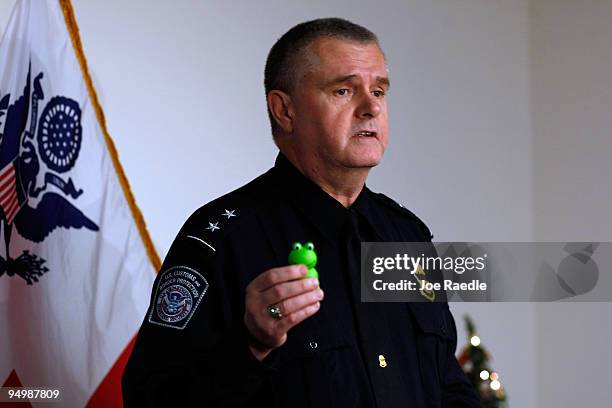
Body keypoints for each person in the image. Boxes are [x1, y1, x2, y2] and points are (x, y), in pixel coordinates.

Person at [122, 17, 481, 408]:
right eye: (344, 90)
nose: (371, 108)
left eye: (379, 91)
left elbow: (444, 384)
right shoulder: (221, 238)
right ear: (284, 110)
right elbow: (150, 399)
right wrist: (251, 346)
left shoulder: (404, 235)